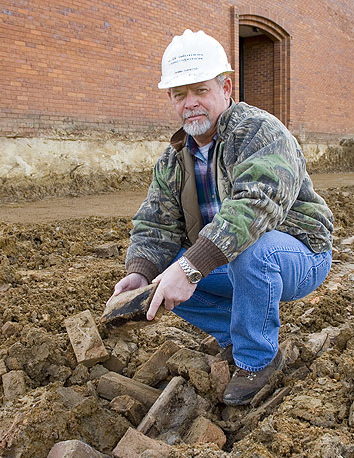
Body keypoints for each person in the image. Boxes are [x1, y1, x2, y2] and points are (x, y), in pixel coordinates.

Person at [110, 29, 334, 405]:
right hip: (233, 261)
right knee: (166, 275)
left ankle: (258, 359)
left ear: (226, 88)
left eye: (201, 90)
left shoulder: (260, 132)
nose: (190, 103)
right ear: (171, 100)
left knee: (246, 253)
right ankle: (238, 334)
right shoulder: (173, 160)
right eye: (180, 94)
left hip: (299, 254)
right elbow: (155, 223)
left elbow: (256, 204)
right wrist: (142, 272)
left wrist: (192, 267)